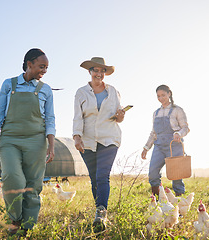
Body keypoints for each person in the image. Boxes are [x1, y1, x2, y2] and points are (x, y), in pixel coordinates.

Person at [0, 48, 55, 236]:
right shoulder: (9, 85)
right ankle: (15, 218)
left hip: (36, 141)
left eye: (46, 67)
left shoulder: (45, 89)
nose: (44, 70)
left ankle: (27, 226)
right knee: (13, 178)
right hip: (10, 139)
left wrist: (52, 145)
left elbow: (50, 119)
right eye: (41, 66)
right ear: (29, 64)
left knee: (33, 184)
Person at [73, 57, 125, 232]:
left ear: (105, 73)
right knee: (94, 178)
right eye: (95, 70)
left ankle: (101, 211)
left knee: (103, 175)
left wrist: (121, 116)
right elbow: (77, 117)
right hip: (87, 141)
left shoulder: (113, 92)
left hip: (109, 139)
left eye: (102, 71)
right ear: (90, 72)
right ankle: (99, 211)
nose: (99, 74)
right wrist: (77, 138)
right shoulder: (81, 92)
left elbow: (119, 116)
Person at [141, 84, 189, 197]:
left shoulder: (177, 110)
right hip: (159, 147)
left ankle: (179, 203)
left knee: (176, 175)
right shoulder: (156, 113)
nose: (161, 98)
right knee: (153, 173)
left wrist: (178, 133)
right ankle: (158, 200)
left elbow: (185, 128)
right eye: (158, 96)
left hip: (174, 146)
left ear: (169, 94)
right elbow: (153, 133)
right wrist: (146, 148)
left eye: (163, 95)